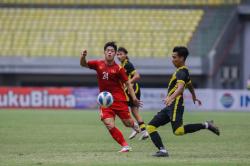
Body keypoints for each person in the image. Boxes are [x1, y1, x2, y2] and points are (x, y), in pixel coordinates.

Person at [146, 46, 220, 157]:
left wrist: (170, 98)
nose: (172, 59)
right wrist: (194, 96)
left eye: (174, 57)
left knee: (178, 131)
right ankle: (162, 150)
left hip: (176, 104)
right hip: (170, 106)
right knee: (150, 127)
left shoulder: (181, 72)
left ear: (181, 58)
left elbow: (181, 88)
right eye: (172, 57)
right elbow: (189, 84)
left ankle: (206, 125)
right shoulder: (182, 71)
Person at [80, 41, 141, 152]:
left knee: (127, 123)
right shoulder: (98, 64)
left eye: (112, 51)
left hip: (119, 99)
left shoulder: (119, 69)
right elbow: (83, 64)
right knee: (109, 124)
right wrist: (83, 57)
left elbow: (128, 84)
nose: (110, 52)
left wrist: (134, 98)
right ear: (104, 52)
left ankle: (134, 125)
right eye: (108, 50)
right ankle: (125, 145)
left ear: (114, 54)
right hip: (105, 102)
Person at [117, 47, 149, 140]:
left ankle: (135, 127)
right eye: (118, 54)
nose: (119, 56)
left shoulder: (128, 64)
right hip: (131, 89)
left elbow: (137, 76)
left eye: (121, 54)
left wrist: (128, 83)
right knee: (134, 112)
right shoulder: (122, 65)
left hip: (132, 90)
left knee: (123, 109)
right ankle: (143, 131)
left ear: (126, 55)